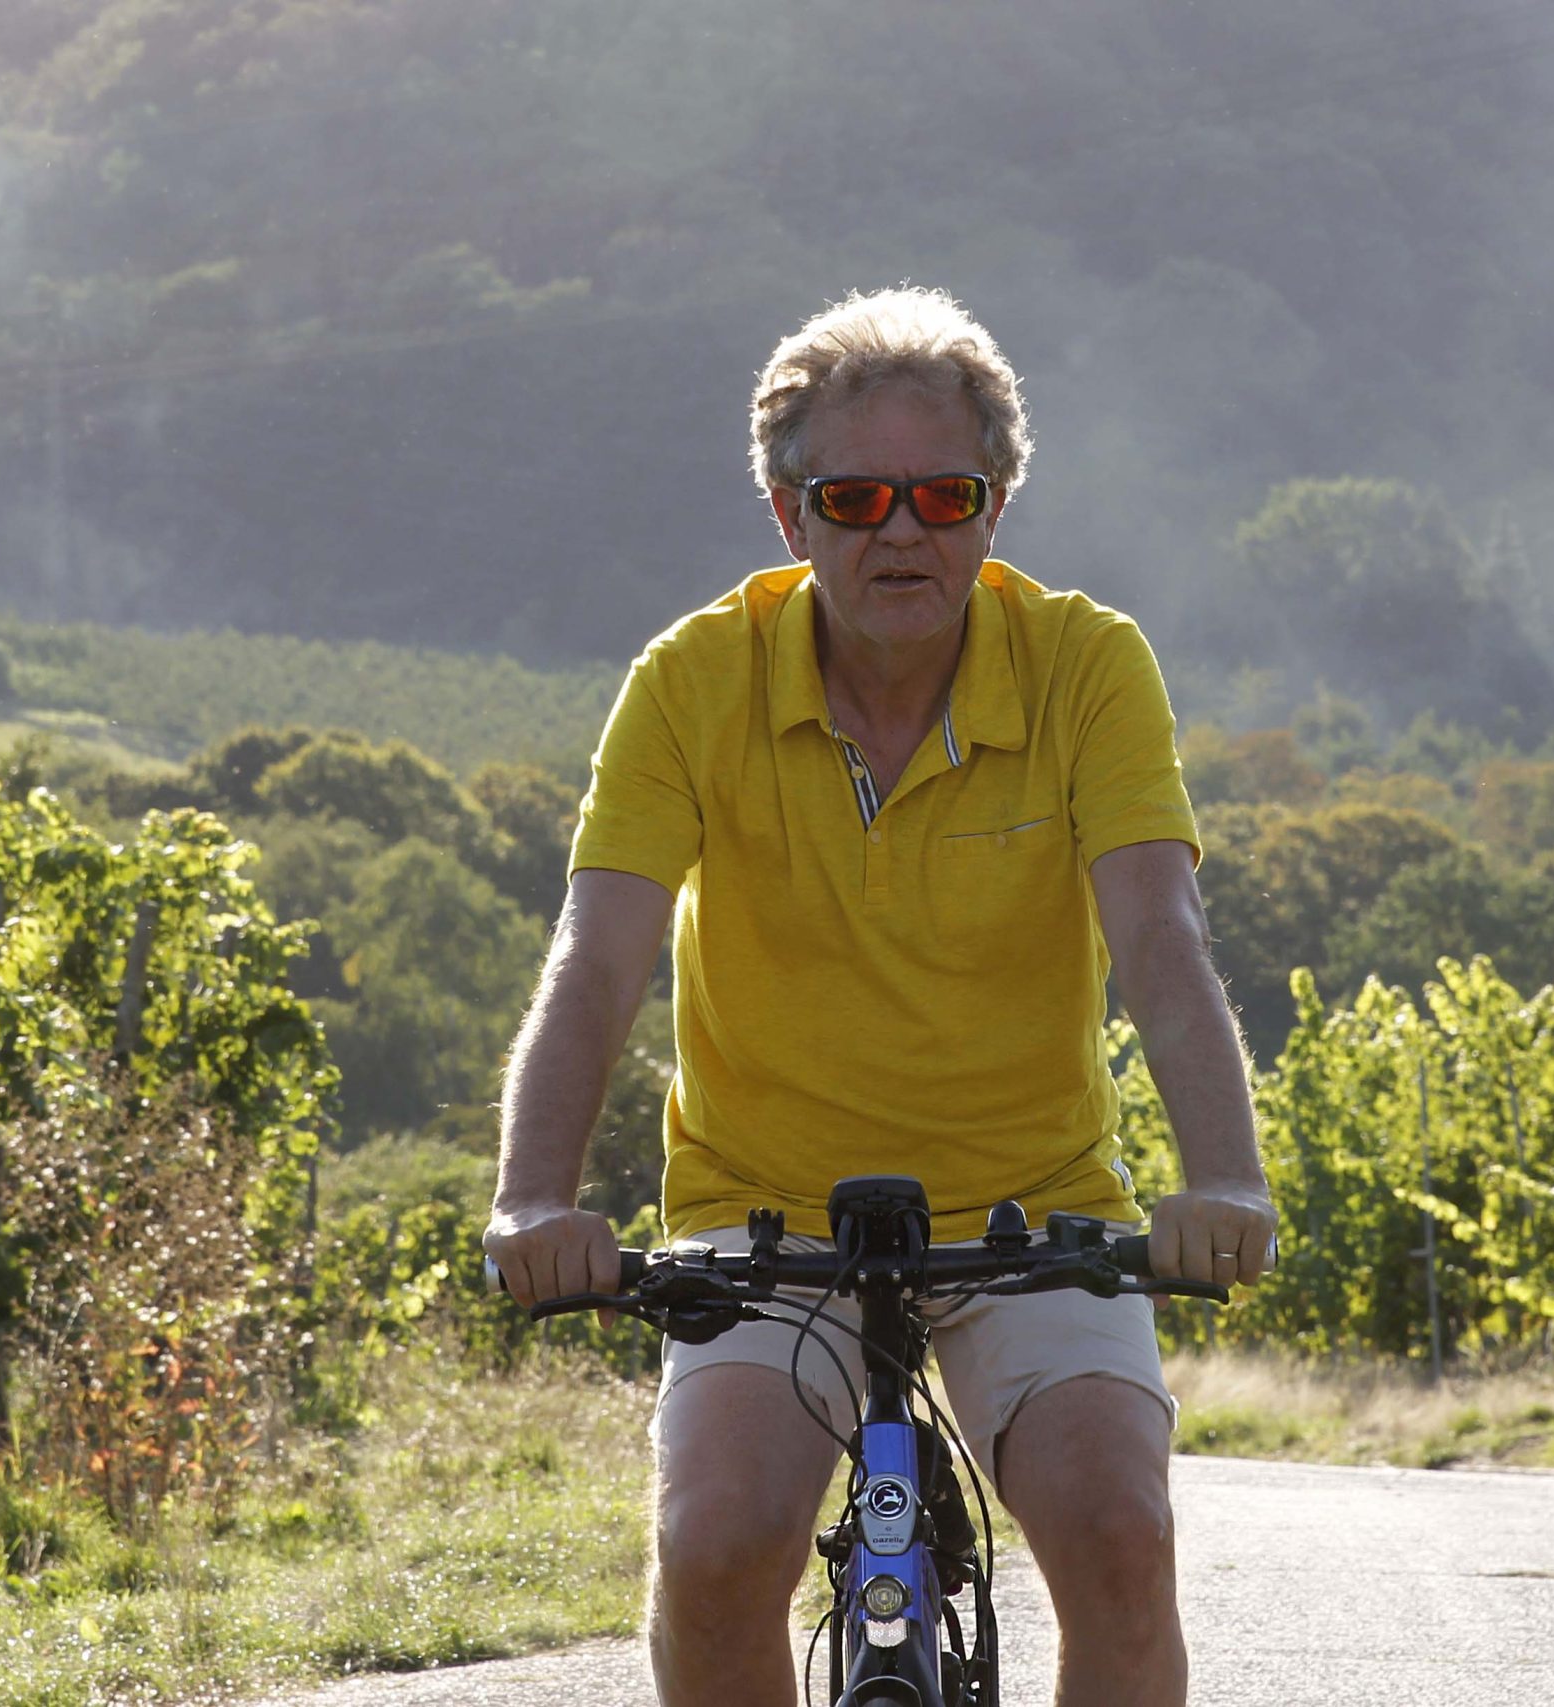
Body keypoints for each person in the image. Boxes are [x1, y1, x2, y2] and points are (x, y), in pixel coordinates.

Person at [481, 286, 1277, 1707]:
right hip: (759, 1214)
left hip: (1039, 1211)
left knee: (1120, 1536)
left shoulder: (1090, 666)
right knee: (717, 1550)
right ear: (790, 520)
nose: (900, 530)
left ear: (994, 508)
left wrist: (1223, 1178)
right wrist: (536, 1200)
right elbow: (596, 958)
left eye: (943, 494)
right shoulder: (690, 681)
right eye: (853, 498)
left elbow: (1161, 937)